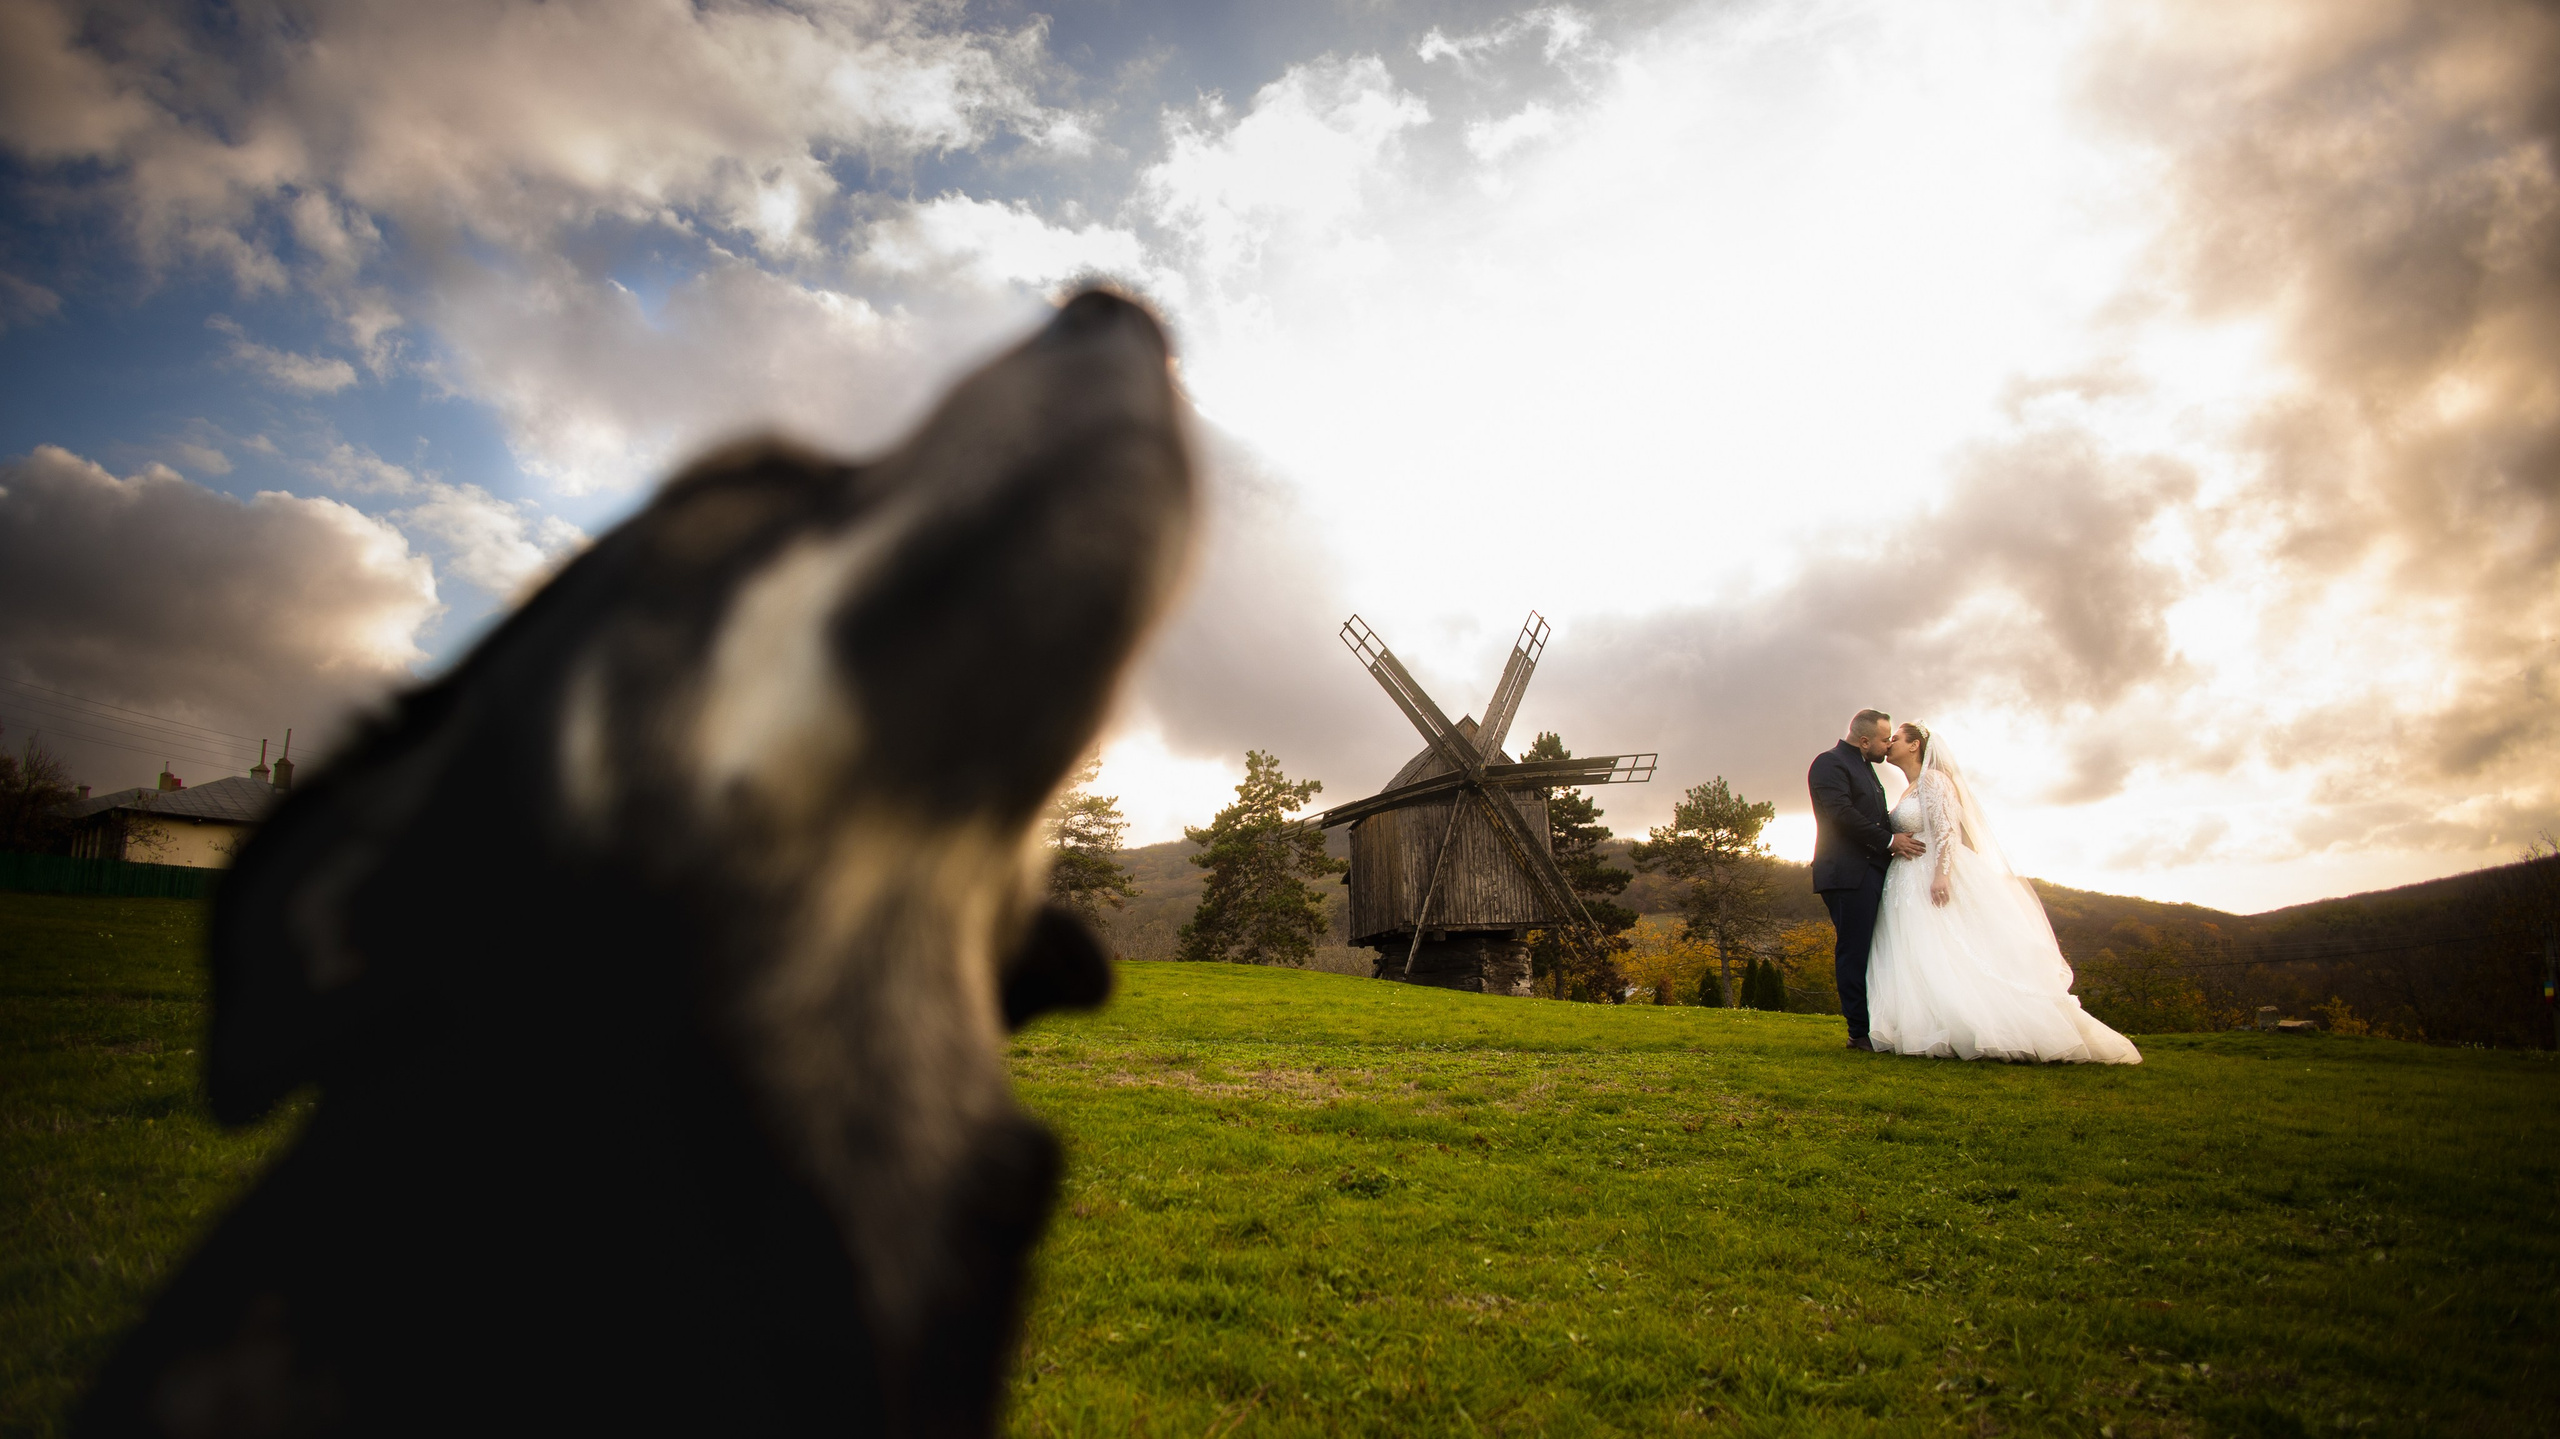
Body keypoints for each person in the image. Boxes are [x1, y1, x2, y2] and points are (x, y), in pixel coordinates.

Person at [1866, 722, 2141, 1063]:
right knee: (1922, 951)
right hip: (1905, 880)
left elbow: (1948, 831)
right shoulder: (1909, 789)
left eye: (1896, 738)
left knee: (1949, 948)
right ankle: (1931, 1028)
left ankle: (1993, 1028)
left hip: (1931, 874)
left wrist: (1942, 875)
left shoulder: (1934, 781)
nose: (1889, 743)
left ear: (1914, 746)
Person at [1808, 710, 1926, 1051]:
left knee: (1874, 951)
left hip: (1872, 872)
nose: (1888, 744)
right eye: (1884, 739)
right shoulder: (1829, 763)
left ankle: (1878, 1025)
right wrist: (1890, 842)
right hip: (1847, 874)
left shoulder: (1865, 767)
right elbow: (1841, 814)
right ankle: (1858, 1033)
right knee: (1854, 951)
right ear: (1864, 740)